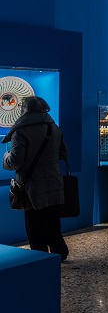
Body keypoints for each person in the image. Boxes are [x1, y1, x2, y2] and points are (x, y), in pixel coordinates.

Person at [2, 96, 70, 260]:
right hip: (54, 182)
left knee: (34, 225)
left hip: (31, 185)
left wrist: (5, 158)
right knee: (52, 222)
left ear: (24, 110)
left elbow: (15, 161)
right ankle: (60, 252)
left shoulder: (21, 131)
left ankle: (40, 258)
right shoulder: (53, 127)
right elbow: (64, 153)